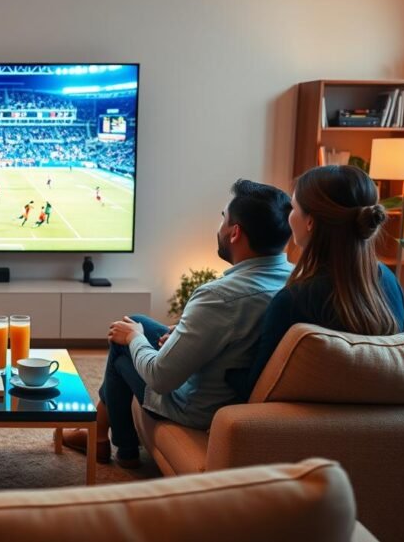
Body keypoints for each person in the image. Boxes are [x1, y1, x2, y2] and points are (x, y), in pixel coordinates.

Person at [62, 180, 294, 467]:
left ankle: (112, 443)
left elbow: (161, 378)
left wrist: (135, 338)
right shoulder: (296, 280)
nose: (219, 227)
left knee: (125, 341)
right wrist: (179, 334)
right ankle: (105, 438)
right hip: (234, 393)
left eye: (223, 218)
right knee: (135, 323)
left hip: (197, 408)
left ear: (235, 233)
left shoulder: (219, 297)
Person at [230, 165, 404, 401]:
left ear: (310, 222)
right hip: (371, 428)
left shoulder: (295, 301)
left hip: (292, 431)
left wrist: (217, 361)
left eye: (293, 207)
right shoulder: (391, 284)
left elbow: (257, 390)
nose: (289, 216)